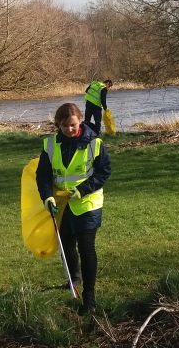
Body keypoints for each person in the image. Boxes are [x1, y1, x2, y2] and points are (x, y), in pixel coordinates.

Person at [35, 102, 111, 312]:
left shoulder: (95, 144)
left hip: (87, 203)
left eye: (73, 125)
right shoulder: (49, 145)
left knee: (86, 248)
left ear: (81, 122)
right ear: (58, 125)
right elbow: (42, 175)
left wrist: (83, 190)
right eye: (65, 126)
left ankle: (89, 297)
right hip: (61, 204)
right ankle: (73, 280)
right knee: (67, 246)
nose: (69, 129)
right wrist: (47, 197)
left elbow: (103, 172)